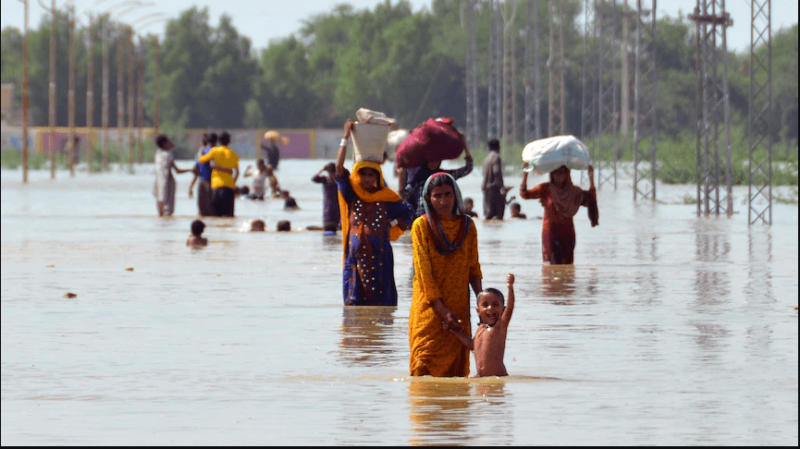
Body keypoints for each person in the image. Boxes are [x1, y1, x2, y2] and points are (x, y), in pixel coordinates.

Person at [409, 172, 483, 377]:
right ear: (428, 199)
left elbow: (473, 268)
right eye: (437, 196)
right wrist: (441, 310)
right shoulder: (421, 227)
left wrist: (482, 301)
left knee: (456, 379)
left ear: (456, 196)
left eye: (448, 194)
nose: (443, 201)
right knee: (422, 367)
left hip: (458, 310)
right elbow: (423, 273)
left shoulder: (468, 226)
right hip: (430, 310)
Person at [335, 119, 416, 306]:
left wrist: (392, 227)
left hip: (381, 258)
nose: (367, 178)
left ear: (378, 177)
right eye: (363, 174)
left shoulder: (387, 198)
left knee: (381, 306)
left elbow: (409, 214)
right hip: (355, 259)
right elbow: (339, 170)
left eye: (371, 175)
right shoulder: (352, 194)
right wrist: (345, 138)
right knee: (354, 309)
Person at [519, 163, 599, 265]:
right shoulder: (546, 189)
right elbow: (525, 194)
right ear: (552, 174)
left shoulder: (574, 192)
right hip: (551, 234)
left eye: (562, 173)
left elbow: (591, 199)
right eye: (556, 173)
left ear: (567, 175)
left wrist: (591, 178)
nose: (559, 176)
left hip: (567, 234)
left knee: (567, 268)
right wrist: (525, 175)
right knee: (550, 267)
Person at [446, 273, 515, 377]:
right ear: (478, 311)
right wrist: (454, 331)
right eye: (485, 305)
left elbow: (510, 308)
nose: (490, 308)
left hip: (498, 377)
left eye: (495, 304)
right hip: (481, 377)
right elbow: (471, 345)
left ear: (503, 309)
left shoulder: (499, 327)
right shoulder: (480, 329)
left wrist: (510, 287)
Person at [401, 147, 473, 219]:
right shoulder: (418, 179)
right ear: (426, 161)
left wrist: (465, 148)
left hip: (441, 217)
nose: (433, 163)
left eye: (436, 160)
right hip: (423, 217)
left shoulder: (443, 176)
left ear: (440, 162)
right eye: (431, 160)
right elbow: (403, 196)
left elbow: (468, 168)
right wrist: (400, 176)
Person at [197, 131, 240, 217]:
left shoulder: (214, 151)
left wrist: (201, 151)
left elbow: (201, 160)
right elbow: (237, 172)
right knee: (229, 216)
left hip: (216, 187)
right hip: (228, 188)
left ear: (219, 141)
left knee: (216, 217)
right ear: (229, 142)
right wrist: (233, 182)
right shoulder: (234, 155)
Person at [153, 134, 191, 217]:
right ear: (164, 144)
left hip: (158, 181)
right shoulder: (167, 155)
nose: (171, 142)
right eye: (168, 141)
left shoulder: (158, 154)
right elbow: (177, 170)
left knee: (160, 204)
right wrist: (191, 170)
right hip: (167, 181)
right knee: (168, 208)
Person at [481, 139, 513, 220]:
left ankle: (488, 232)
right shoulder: (496, 157)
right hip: (494, 189)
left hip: (485, 189)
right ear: (499, 148)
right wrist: (502, 187)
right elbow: (497, 171)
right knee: (498, 216)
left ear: (489, 148)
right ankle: (497, 232)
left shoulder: (486, 159)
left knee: (488, 215)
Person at [188, 133, 216, 216]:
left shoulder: (199, 154)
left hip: (201, 182)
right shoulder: (213, 151)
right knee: (211, 209)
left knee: (201, 210)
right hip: (211, 182)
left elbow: (195, 171)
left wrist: (191, 187)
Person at [312, 162, 342, 231]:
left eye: (333, 172)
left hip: (337, 208)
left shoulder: (339, 181)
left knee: (337, 228)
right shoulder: (325, 180)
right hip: (327, 209)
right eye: (330, 172)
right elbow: (314, 179)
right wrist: (322, 169)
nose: (331, 174)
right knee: (327, 228)